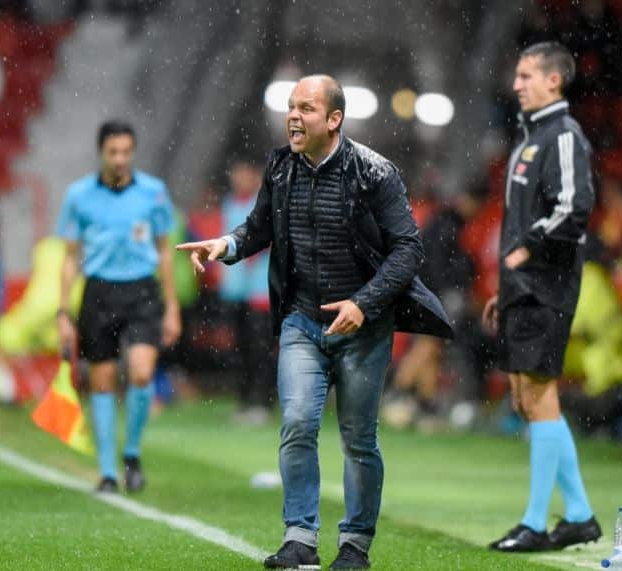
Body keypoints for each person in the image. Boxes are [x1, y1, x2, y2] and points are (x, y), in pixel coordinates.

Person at [177, 75, 452, 570]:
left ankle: (355, 546)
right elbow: (260, 225)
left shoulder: (375, 172)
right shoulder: (280, 166)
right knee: (298, 423)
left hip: (362, 328)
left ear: (334, 119)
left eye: (305, 107)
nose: (294, 116)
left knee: (358, 439)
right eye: (290, 107)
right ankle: (300, 538)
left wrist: (364, 304)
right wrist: (229, 245)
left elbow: (408, 248)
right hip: (302, 321)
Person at [482, 42, 601, 552]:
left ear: (555, 81)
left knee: (538, 395)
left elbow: (575, 209)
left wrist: (524, 254)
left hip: (548, 287)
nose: (517, 84)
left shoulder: (565, 136)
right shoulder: (530, 139)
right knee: (529, 399)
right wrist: (505, 286)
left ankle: (534, 522)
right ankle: (578, 517)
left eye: (527, 75)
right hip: (524, 288)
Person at [56, 120, 181, 493]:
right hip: (99, 292)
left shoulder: (153, 193)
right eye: (114, 152)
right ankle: (108, 472)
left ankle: (131, 452)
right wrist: (63, 312)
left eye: (126, 151)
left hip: (143, 291)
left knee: (142, 374)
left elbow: (164, 250)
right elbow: (69, 257)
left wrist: (172, 305)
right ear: (102, 153)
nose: (121, 159)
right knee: (103, 381)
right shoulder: (79, 195)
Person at [218, 159, 274, 424]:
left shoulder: (265, 203)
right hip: (235, 289)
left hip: (261, 290)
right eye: (236, 174)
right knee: (239, 348)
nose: (239, 179)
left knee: (259, 347)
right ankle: (243, 401)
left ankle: (262, 402)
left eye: (244, 174)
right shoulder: (230, 204)